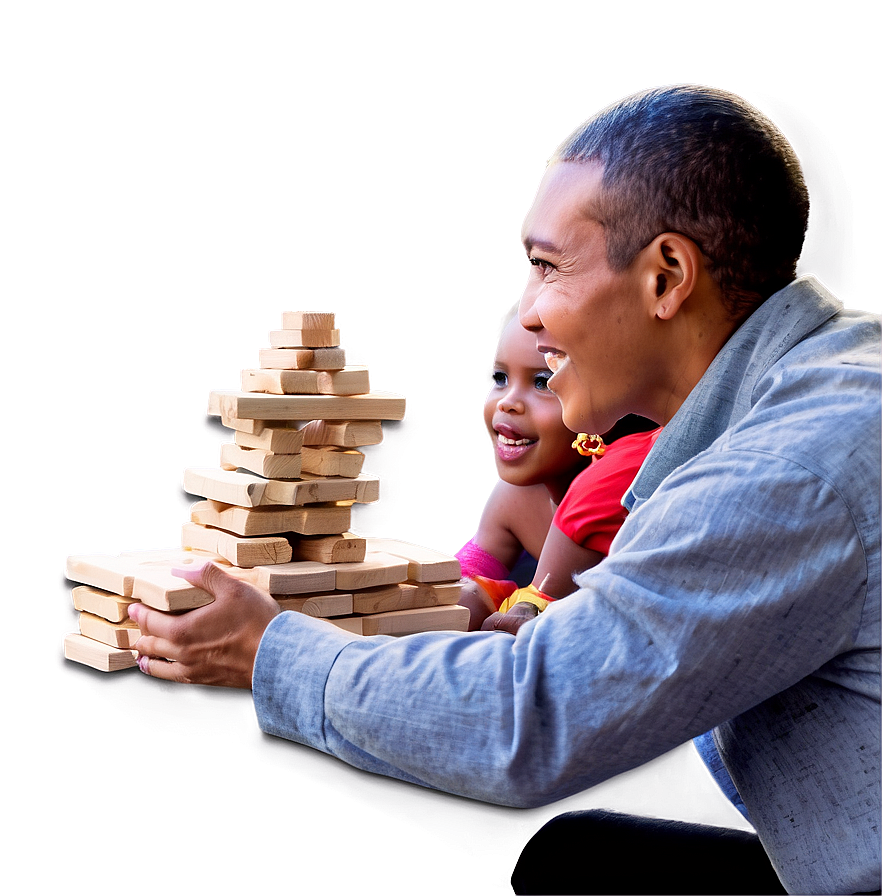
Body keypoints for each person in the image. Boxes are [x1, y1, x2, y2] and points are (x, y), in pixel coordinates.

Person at [129, 84, 880, 894]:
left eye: (547, 267)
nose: (528, 314)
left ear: (666, 277)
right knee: (579, 862)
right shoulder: (832, 380)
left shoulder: (790, 469)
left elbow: (530, 720)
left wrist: (268, 651)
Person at [456, 305, 659, 631]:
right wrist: (461, 596)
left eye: (542, 382)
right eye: (500, 378)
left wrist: (525, 603)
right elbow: (469, 580)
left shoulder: (630, 499)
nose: (508, 402)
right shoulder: (516, 498)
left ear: (608, 405)